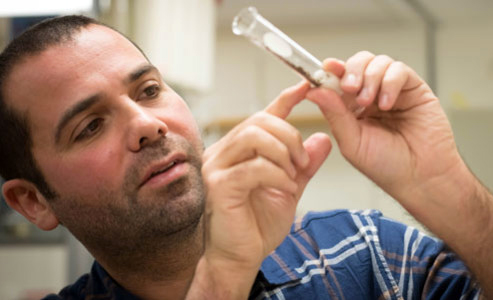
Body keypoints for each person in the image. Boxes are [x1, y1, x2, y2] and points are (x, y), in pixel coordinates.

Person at [0, 15, 490, 299]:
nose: (148, 125)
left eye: (149, 90)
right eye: (90, 126)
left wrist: (443, 186)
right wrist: (221, 279)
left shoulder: (362, 253)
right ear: (31, 201)